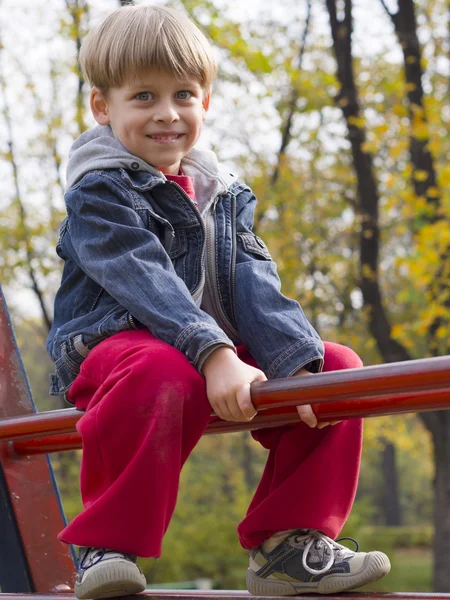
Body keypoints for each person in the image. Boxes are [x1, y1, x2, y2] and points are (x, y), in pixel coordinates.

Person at [47, 4, 390, 599]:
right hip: (118, 346)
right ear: (104, 108)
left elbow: (254, 277)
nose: (167, 113)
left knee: (336, 368)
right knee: (162, 366)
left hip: (212, 357)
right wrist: (213, 351)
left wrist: (296, 361)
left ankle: (289, 542)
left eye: (183, 94)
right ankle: (106, 544)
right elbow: (141, 275)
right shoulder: (97, 191)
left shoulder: (222, 194)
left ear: (205, 101)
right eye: (144, 97)